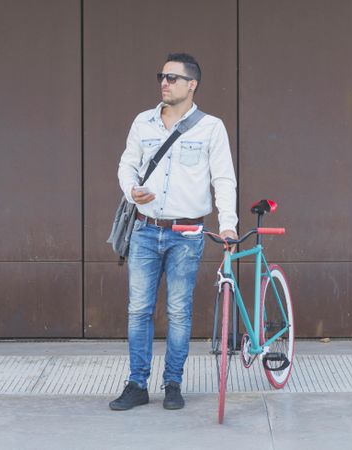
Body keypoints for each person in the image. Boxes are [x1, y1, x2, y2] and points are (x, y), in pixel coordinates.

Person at [109, 53, 238, 411]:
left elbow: (223, 179)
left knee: (179, 311)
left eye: (172, 77)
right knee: (138, 310)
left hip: (187, 234)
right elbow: (127, 164)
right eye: (161, 77)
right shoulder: (143, 122)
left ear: (191, 84)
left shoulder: (211, 127)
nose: (164, 83)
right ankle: (136, 384)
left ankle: (173, 383)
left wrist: (228, 223)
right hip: (145, 230)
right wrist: (130, 189)